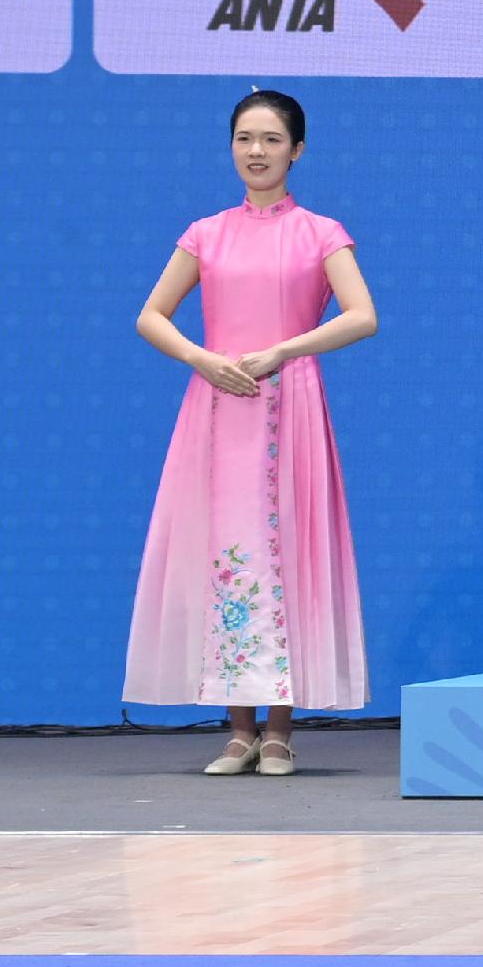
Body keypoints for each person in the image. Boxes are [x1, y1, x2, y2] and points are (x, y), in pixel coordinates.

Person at [126, 89, 378, 775]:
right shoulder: (206, 233)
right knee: (225, 557)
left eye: (271, 139)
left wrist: (284, 351)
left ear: (297, 150)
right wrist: (201, 357)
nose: (256, 151)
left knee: (286, 555)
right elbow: (151, 315)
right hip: (217, 410)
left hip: (290, 407)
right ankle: (238, 731)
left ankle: (280, 731)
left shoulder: (320, 232)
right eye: (244, 138)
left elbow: (362, 315)